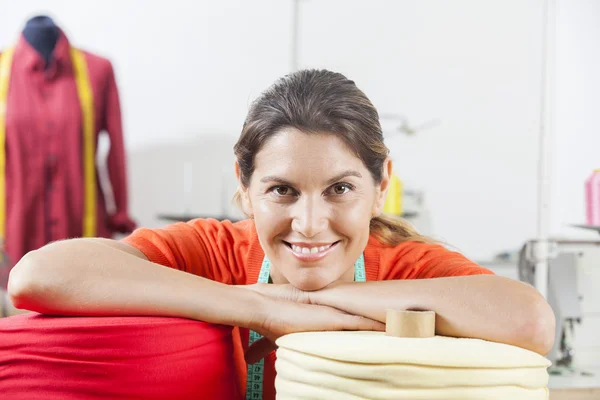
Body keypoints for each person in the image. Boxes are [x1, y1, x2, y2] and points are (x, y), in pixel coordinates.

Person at [7, 69, 555, 400]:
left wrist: (314, 299)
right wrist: (257, 307)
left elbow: (529, 320)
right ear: (244, 187)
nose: (310, 224)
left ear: (381, 184)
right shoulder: (212, 251)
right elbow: (37, 275)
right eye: (282, 191)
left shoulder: (406, 265)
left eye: (340, 189)